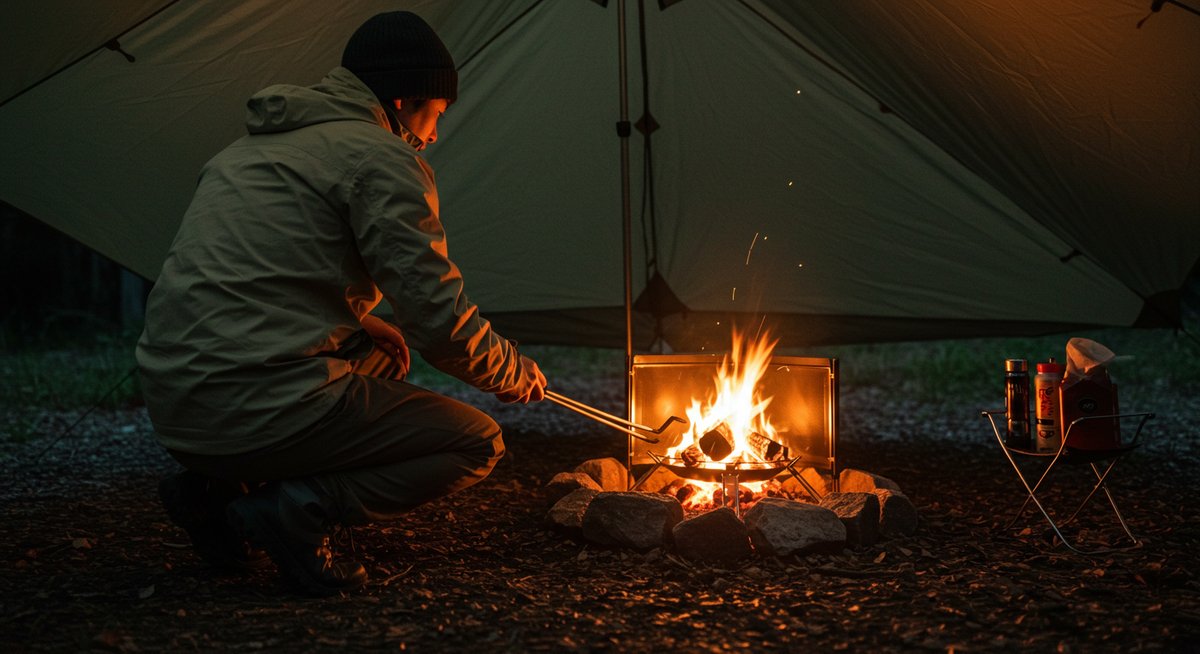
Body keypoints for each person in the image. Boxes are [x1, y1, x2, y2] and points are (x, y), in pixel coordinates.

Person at [136, 11, 546, 596]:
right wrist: (510, 370)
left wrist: (361, 320)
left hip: (178, 403)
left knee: (378, 355)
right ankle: (297, 511)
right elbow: (440, 323)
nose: (434, 135)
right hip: (251, 403)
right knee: (476, 441)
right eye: (437, 114)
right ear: (404, 101)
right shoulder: (381, 157)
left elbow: (256, 273)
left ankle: (215, 489)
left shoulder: (247, 152)